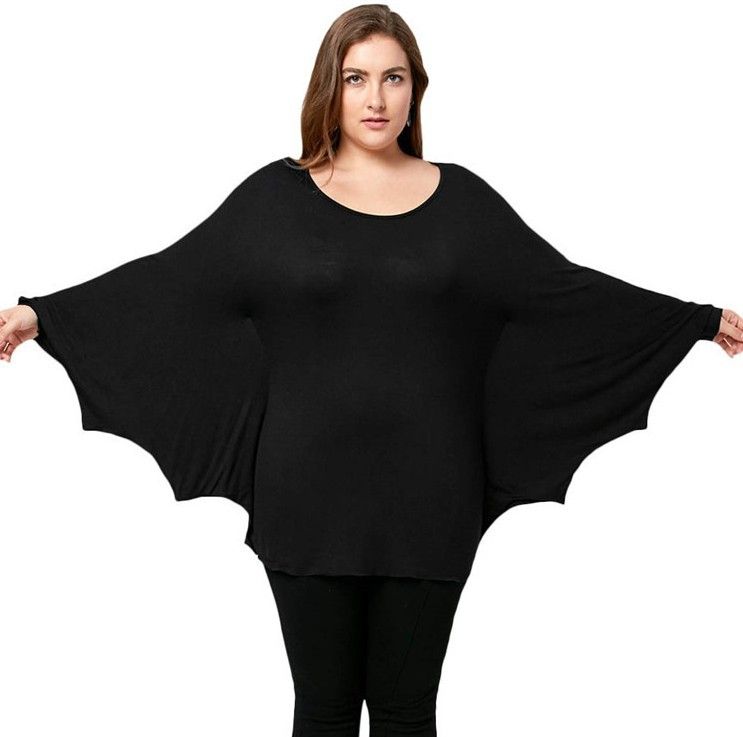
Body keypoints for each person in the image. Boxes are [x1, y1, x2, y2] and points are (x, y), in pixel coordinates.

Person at [1, 5, 741, 737]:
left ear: (416, 89)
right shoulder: (274, 197)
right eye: (356, 78)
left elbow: (562, 293)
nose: (376, 98)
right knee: (322, 713)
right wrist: (47, 315)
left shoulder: (464, 201)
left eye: (393, 77)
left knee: (404, 714)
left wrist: (693, 321)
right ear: (330, 86)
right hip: (305, 493)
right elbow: (171, 282)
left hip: (432, 494)